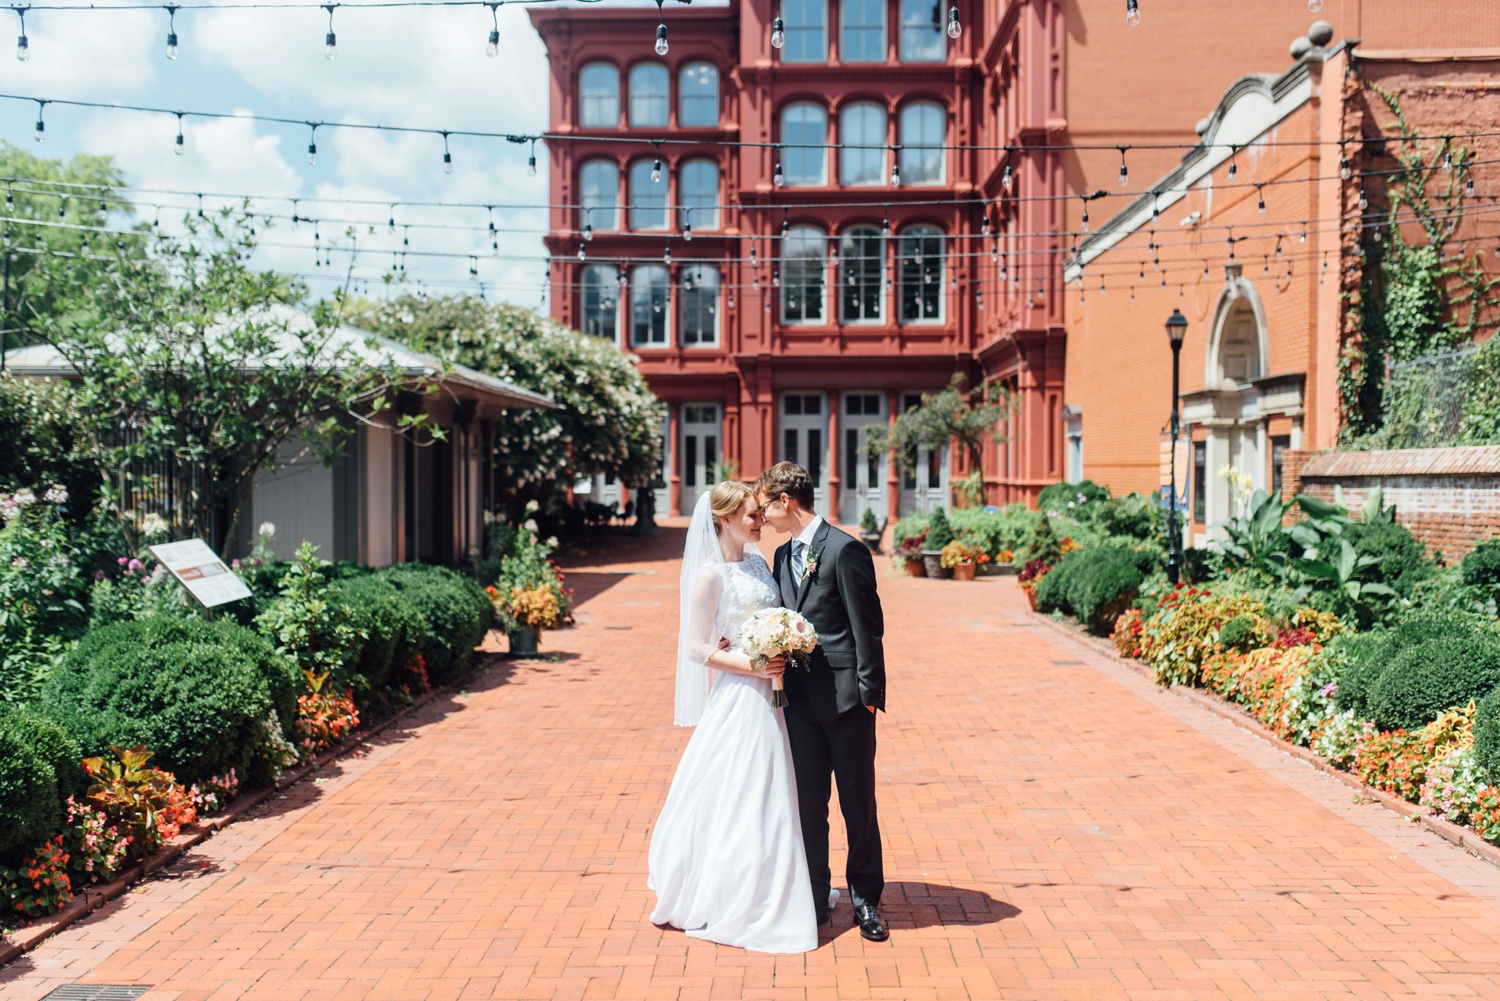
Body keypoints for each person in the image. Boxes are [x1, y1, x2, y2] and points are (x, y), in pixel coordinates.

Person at [647, 480, 819, 953]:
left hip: (776, 691)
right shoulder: (710, 576)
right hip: (743, 693)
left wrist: (786, 641)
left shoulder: (759, 563)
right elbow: (698, 647)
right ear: (722, 519)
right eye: (750, 516)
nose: (760, 522)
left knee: (776, 788)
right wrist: (755, 664)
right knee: (748, 788)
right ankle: (739, 890)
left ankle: (776, 880)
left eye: (760, 515)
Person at [755, 462, 889, 943]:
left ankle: (866, 900)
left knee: (858, 804)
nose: (763, 516)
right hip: (799, 703)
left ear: (786, 501)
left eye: (766, 505)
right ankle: (814, 896)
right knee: (809, 806)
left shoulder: (845, 549)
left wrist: (869, 697)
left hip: (848, 703)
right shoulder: (780, 555)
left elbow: (866, 627)